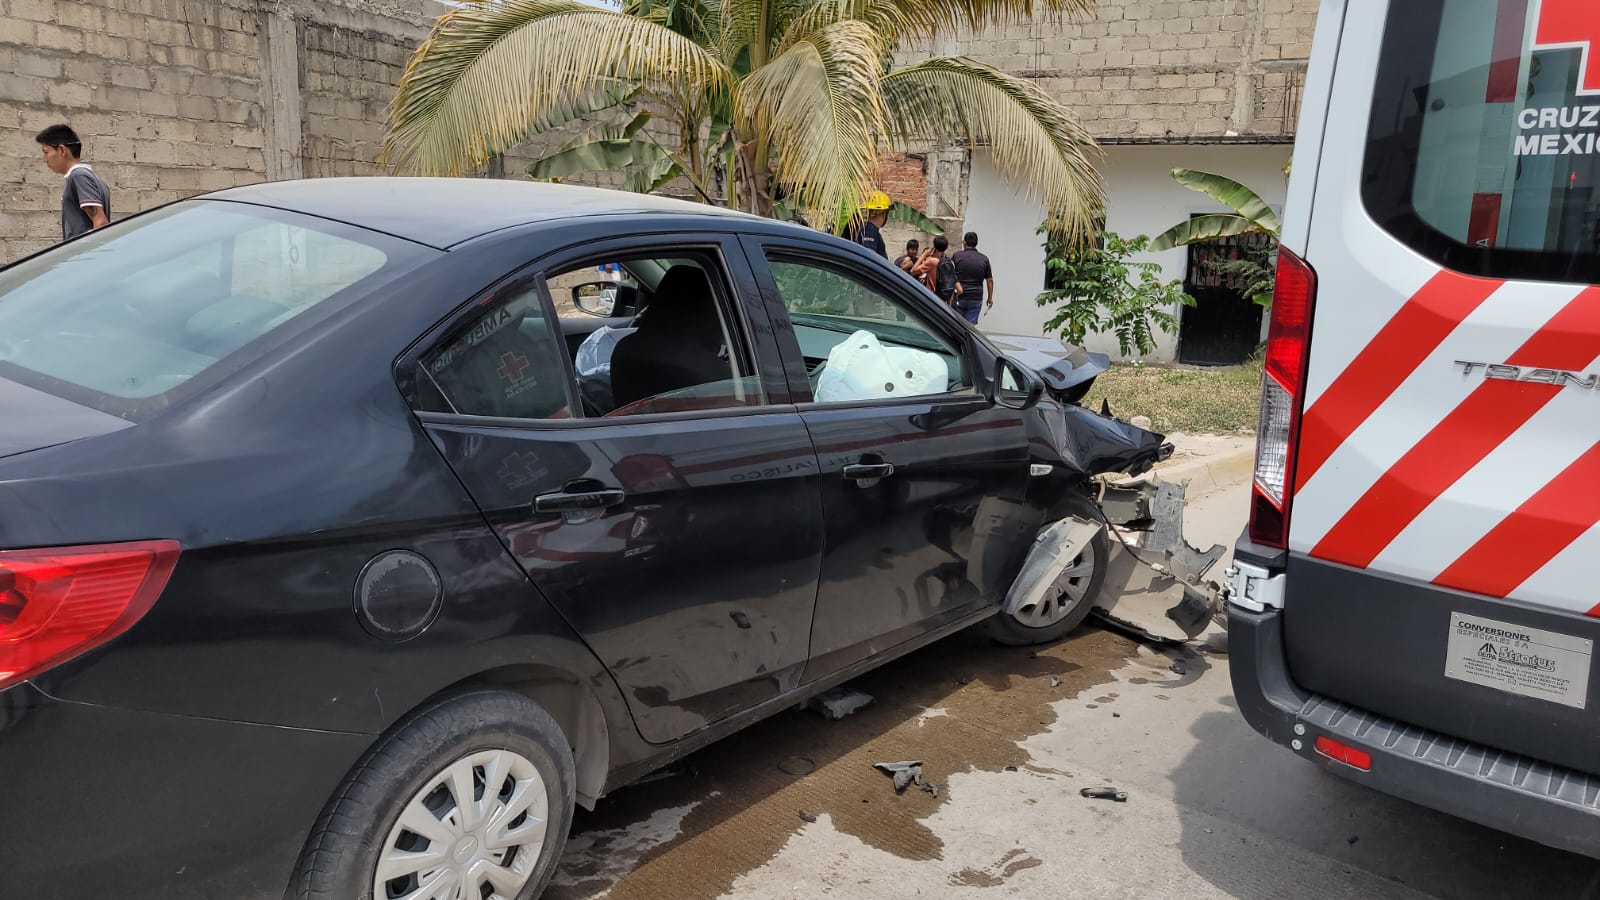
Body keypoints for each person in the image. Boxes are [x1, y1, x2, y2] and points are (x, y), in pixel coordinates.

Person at [36, 124, 110, 241]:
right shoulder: (94, 178)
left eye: (46, 152)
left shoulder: (78, 176)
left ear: (62, 150)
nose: (44, 159)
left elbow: (100, 223)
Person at [949, 232, 993, 325]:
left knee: (956, 325)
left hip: (959, 296)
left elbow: (950, 274)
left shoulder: (957, 256)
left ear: (964, 242)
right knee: (969, 327)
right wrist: (990, 298)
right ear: (976, 243)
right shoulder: (984, 259)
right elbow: (989, 280)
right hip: (976, 297)